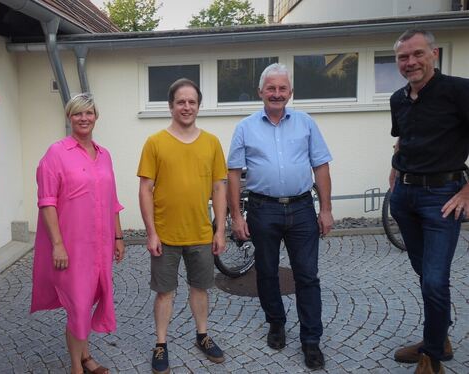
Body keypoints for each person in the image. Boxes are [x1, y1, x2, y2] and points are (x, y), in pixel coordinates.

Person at [227, 63, 333, 370]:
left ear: (290, 92)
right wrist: (236, 216)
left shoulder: (306, 123)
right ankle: (276, 321)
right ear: (261, 92)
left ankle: (311, 340)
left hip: (302, 208)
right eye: (270, 88)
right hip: (262, 209)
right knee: (267, 272)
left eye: (282, 88)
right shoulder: (245, 127)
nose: (276, 94)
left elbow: (321, 166)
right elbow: (233, 174)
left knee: (307, 275)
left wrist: (325, 209)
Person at [387, 29, 469, 374]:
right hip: (405, 198)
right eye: (404, 57)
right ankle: (440, 337)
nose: (411, 62)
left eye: (417, 54)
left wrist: (467, 191)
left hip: (442, 198)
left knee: (435, 279)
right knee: (425, 274)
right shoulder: (399, 99)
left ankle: (432, 358)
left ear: (433, 53)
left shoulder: (459, 90)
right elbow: (403, 140)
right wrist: (393, 173)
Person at [30, 93, 125, 374]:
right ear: (69, 117)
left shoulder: (104, 154)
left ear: (96, 117)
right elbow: (47, 201)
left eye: (89, 113)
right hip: (72, 247)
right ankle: (76, 367)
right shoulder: (56, 153)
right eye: (77, 114)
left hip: (100, 245)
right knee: (79, 306)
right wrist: (57, 245)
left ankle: (86, 356)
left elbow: (112, 201)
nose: (84, 118)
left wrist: (118, 238)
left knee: (91, 300)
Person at [138, 78, 228, 374]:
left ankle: (202, 336)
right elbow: (145, 189)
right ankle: (161, 343)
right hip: (165, 235)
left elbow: (219, 187)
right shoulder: (155, 142)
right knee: (165, 292)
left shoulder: (211, 142)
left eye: (192, 102)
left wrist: (220, 230)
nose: (186, 107)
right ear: (171, 106)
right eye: (181, 102)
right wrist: (151, 232)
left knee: (200, 288)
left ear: (198, 106)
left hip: (201, 233)